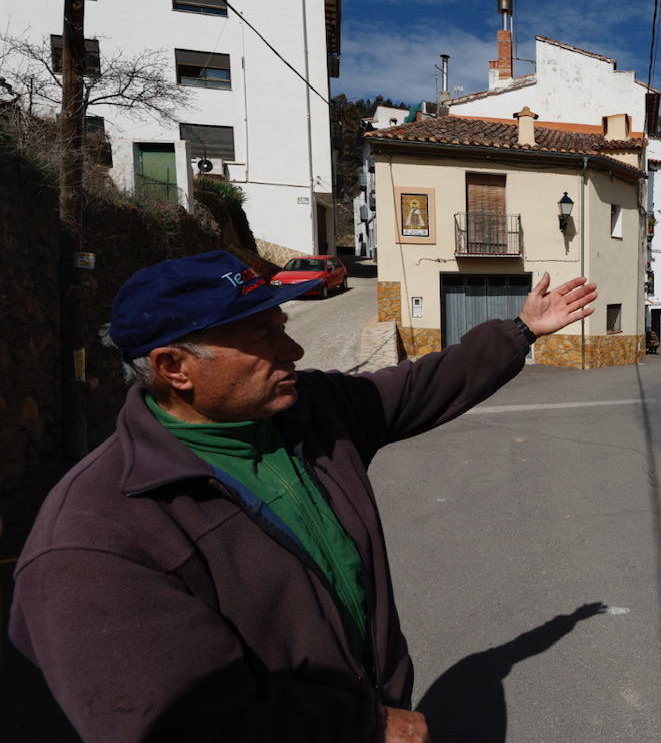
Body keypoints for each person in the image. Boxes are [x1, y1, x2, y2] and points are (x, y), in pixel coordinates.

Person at [9, 251, 596, 742]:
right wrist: (367, 726)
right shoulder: (93, 538)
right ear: (174, 367)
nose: (292, 351)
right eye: (263, 338)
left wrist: (519, 332)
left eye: (283, 327)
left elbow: (417, 386)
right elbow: (179, 720)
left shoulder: (305, 411)